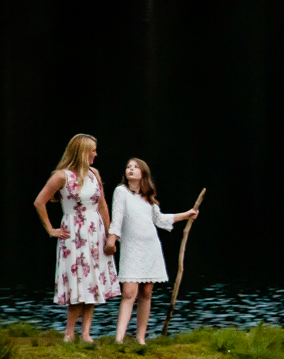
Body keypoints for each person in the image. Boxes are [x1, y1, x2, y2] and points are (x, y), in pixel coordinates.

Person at [32, 133, 120, 343]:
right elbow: (39, 202)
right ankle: (69, 333)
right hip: (74, 233)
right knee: (77, 282)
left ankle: (86, 333)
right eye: (92, 150)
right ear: (81, 152)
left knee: (92, 282)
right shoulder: (61, 176)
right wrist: (50, 229)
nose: (95, 154)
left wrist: (110, 235)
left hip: (95, 231)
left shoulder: (94, 174)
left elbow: (102, 205)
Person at [107, 158, 198, 346]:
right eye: (128, 167)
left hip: (151, 247)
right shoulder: (121, 192)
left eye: (135, 167)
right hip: (132, 247)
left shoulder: (148, 198)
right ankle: (119, 338)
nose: (130, 169)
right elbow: (116, 219)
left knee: (146, 292)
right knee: (129, 292)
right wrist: (112, 240)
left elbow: (160, 220)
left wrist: (186, 214)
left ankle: (141, 338)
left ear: (143, 174)